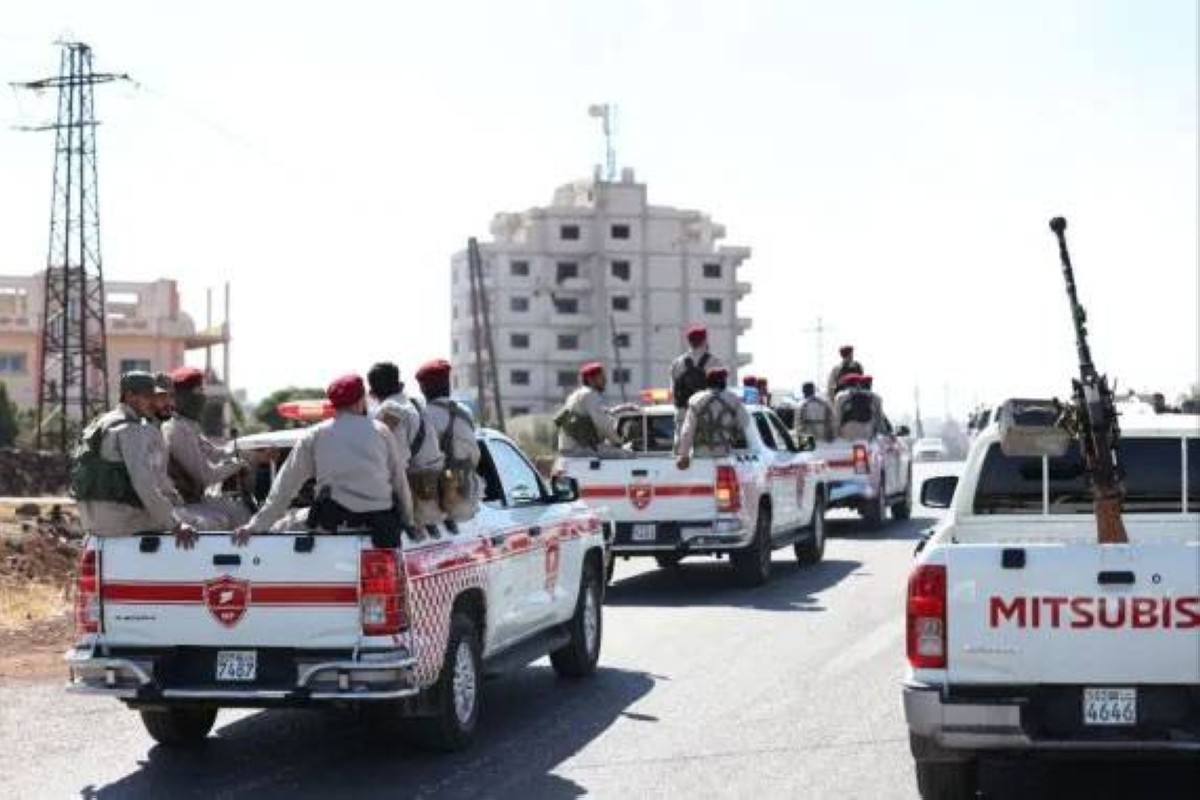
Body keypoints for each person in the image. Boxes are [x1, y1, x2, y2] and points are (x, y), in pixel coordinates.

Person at [233, 374, 415, 544]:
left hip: (332, 527)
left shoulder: (316, 435)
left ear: (333, 404)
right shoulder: (382, 431)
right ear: (361, 400)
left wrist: (256, 526)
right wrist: (409, 521)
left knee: (282, 527)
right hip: (380, 529)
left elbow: (286, 486)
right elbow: (400, 483)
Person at [71, 371, 197, 548]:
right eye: (147, 397)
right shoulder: (131, 429)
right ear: (129, 396)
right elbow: (144, 484)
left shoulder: (102, 422)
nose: (153, 403)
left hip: (92, 520)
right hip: (120, 519)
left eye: (154, 397)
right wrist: (176, 525)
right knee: (198, 520)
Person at [161, 367, 253, 529]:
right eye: (197, 392)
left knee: (242, 512)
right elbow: (205, 475)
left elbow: (215, 453)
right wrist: (237, 465)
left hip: (194, 498)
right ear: (181, 397)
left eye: (202, 391)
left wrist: (250, 452)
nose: (203, 397)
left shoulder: (188, 426)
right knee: (222, 520)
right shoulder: (177, 430)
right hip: (182, 503)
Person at [368, 361, 446, 538]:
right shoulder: (416, 404)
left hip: (416, 495)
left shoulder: (390, 410)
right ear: (400, 384)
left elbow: (395, 463)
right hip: (434, 490)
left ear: (372, 393)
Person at [415, 359, 481, 531]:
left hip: (433, 497)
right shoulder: (465, 412)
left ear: (423, 388)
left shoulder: (422, 416)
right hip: (466, 494)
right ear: (448, 384)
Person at [676, 366, 752, 470]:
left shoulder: (696, 400)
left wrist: (684, 455)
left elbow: (687, 431)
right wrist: (734, 429)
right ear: (724, 382)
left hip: (701, 455)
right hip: (724, 452)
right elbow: (745, 422)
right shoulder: (733, 399)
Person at [554, 362, 634, 458]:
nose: (605, 380)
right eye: (601, 377)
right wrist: (620, 441)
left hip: (569, 448)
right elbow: (603, 424)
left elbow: (598, 413)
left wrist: (620, 409)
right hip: (581, 449)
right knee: (629, 454)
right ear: (590, 379)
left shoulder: (576, 395)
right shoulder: (590, 395)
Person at [670, 325, 724, 443]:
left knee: (681, 448)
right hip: (708, 415)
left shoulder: (677, 363)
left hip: (683, 414)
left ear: (689, 342)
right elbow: (721, 392)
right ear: (704, 340)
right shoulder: (715, 362)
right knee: (708, 449)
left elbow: (673, 392)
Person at [834, 374, 876, 441]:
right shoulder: (870, 396)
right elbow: (873, 416)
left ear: (845, 384)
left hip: (848, 432)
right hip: (867, 431)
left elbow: (837, 417)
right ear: (857, 383)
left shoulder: (841, 396)